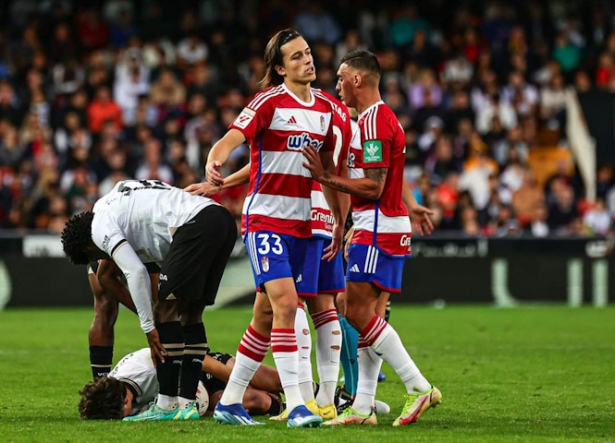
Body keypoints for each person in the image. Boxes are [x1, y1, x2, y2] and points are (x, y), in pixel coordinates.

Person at [185, 28, 342, 428]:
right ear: (279, 68)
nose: (307, 60)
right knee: (288, 305)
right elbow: (232, 139)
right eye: (296, 57)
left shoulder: (326, 108)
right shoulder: (268, 103)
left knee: (265, 317)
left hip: (306, 225)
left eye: (307, 53)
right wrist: (215, 161)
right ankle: (299, 405)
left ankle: (230, 401)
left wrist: (340, 219)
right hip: (267, 221)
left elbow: (321, 169)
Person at [303, 50, 442, 427]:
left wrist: (326, 177)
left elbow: (375, 184)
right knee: (367, 311)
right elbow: (391, 175)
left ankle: (418, 386)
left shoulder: (374, 122)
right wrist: (411, 204)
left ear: (358, 80)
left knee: (355, 310)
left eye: (341, 78)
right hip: (385, 222)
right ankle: (363, 406)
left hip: (377, 225)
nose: (338, 86)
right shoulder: (375, 120)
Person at [61, 179, 237, 421]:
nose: (102, 257)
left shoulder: (100, 228)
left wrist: (149, 326)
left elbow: (135, 271)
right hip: (220, 219)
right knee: (191, 314)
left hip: (192, 225)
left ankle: (166, 405)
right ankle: (187, 405)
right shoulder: (113, 203)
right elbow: (106, 275)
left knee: (165, 311)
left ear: (88, 248)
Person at [78, 348, 284, 420]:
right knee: (257, 400)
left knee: (269, 380)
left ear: (125, 399)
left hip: (201, 364)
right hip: (191, 388)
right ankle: (282, 406)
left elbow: (196, 356)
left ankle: (309, 392)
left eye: (124, 410)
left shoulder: (145, 366)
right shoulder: (113, 396)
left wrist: (237, 381)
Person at [86, 259, 159, 380]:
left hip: (150, 246)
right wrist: (148, 316)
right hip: (109, 244)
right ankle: (101, 382)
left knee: (164, 302)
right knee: (105, 303)